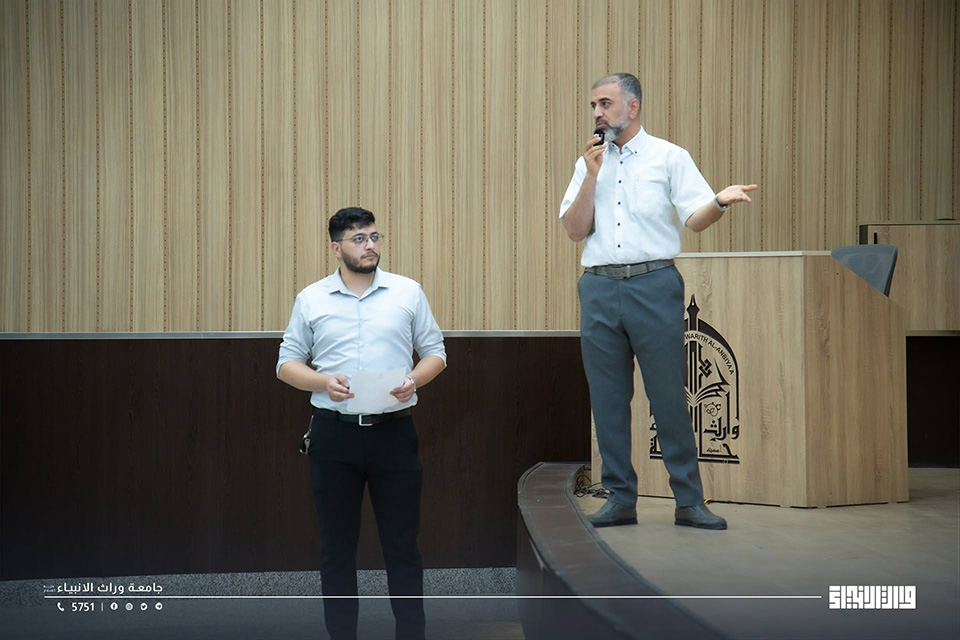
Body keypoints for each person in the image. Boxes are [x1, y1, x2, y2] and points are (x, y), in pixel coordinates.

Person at [559, 73, 757, 530]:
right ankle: (619, 499)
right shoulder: (588, 163)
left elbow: (695, 219)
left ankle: (689, 501)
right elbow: (573, 230)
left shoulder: (669, 157)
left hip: (653, 284)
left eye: (605, 103)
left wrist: (720, 201)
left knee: (668, 397)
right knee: (608, 400)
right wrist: (591, 175)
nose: (597, 113)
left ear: (632, 107)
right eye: (593, 106)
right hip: (599, 286)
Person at [276, 206, 446, 640]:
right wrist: (322, 382)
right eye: (358, 239)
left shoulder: (407, 292)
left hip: (394, 434)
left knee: (403, 547)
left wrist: (413, 380)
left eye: (373, 237)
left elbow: (436, 353)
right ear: (336, 249)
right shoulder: (311, 299)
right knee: (336, 550)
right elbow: (286, 364)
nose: (370, 246)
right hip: (334, 437)